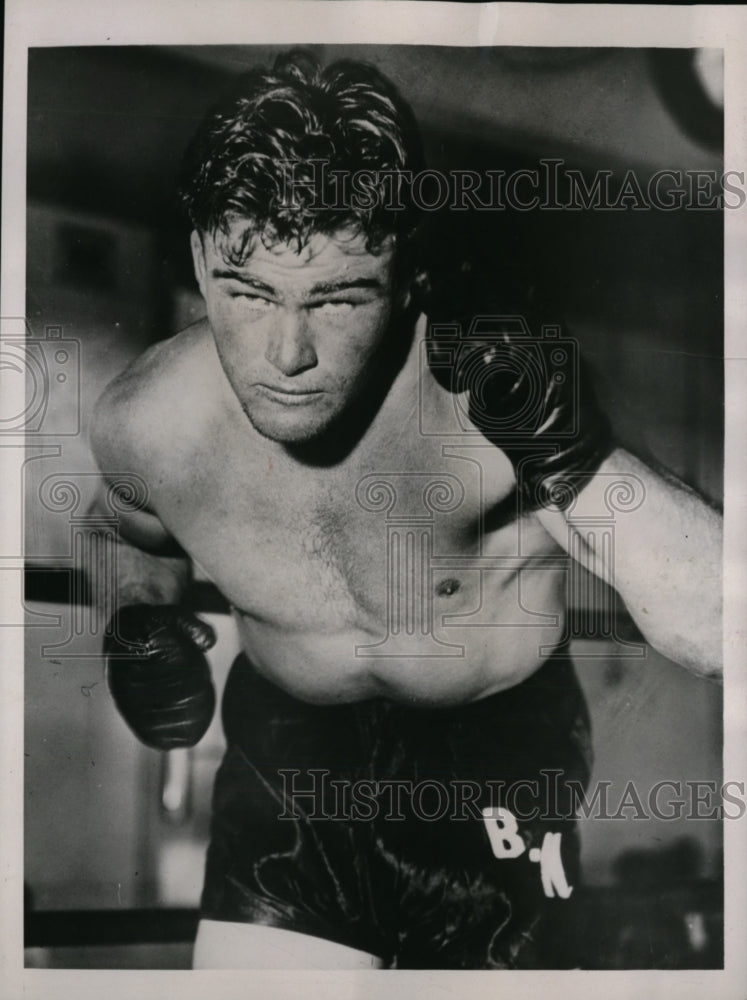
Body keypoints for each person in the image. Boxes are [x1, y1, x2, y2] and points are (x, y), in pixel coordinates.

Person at [88, 50, 722, 970]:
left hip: (494, 754)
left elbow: (719, 624)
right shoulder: (149, 422)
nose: (287, 353)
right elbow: (118, 526)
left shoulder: (487, 400)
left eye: (336, 298)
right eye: (249, 292)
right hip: (286, 760)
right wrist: (132, 614)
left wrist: (577, 456)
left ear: (408, 273)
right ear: (197, 255)